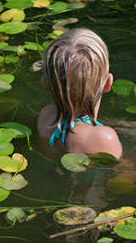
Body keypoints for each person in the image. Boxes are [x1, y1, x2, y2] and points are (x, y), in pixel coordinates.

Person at [36, 28, 123, 160]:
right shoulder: (105, 138)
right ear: (108, 84)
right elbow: (123, 175)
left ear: (45, 84)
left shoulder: (45, 116)